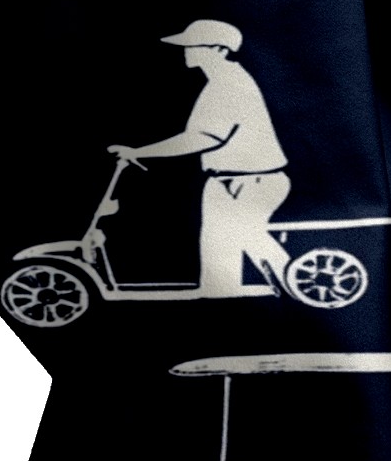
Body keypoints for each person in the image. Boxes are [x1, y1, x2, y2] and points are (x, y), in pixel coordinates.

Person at [108, 20, 291, 298]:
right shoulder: (219, 82)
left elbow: (204, 138)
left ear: (219, 49)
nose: (187, 51)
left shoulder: (229, 85)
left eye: (194, 46)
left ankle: (302, 285)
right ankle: (229, 301)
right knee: (219, 268)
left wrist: (139, 152)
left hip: (253, 181)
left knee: (244, 234)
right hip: (226, 180)